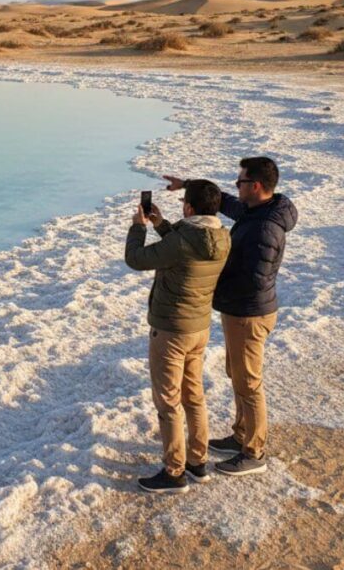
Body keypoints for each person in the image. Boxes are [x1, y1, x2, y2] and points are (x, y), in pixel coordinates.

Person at [163, 157, 297, 477]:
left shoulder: (264, 227)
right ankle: (240, 436)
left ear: (257, 186)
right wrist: (189, 186)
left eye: (240, 182)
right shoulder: (258, 210)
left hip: (248, 313)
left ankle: (254, 450)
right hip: (240, 310)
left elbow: (252, 277)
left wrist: (209, 277)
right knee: (238, 375)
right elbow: (227, 204)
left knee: (249, 382)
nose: (236, 188)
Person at [124, 180, 231, 494]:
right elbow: (187, 248)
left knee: (168, 402)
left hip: (171, 331)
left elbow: (136, 259)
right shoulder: (222, 238)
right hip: (199, 328)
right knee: (193, 396)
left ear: (189, 207)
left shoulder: (184, 241)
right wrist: (161, 224)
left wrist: (138, 227)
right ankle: (197, 462)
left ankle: (174, 473)